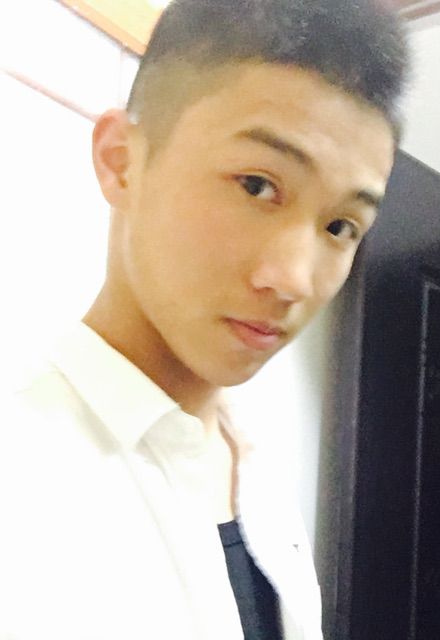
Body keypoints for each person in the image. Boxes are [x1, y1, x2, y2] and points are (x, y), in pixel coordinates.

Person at [0, 0, 409, 638]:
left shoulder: (255, 473)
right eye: (257, 185)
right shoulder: (22, 465)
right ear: (120, 160)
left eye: (340, 226)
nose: (295, 280)